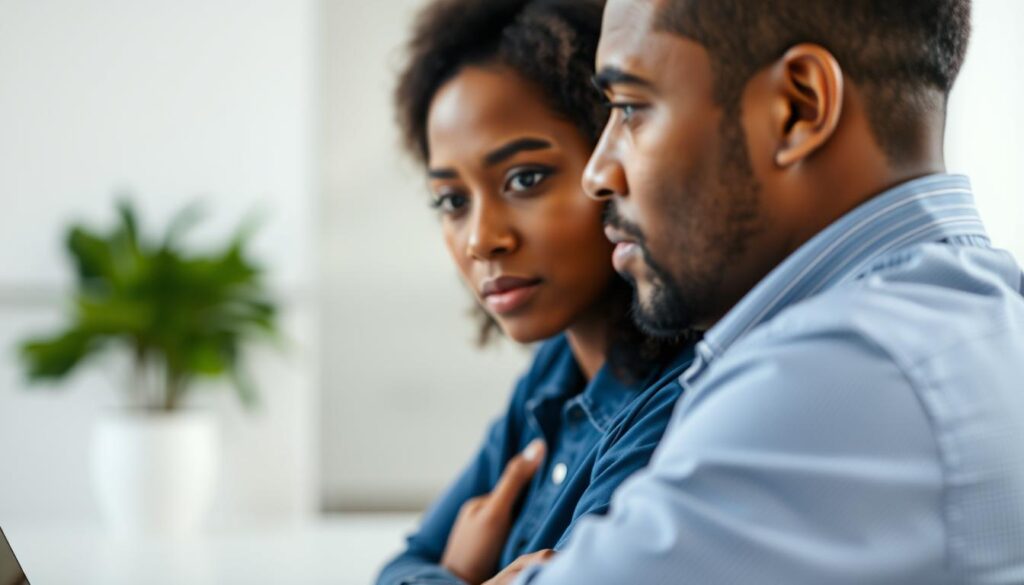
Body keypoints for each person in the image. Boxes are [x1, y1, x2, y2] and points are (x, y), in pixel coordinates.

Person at [499, 0, 1024, 583]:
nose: (598, 173)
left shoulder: (837, 377)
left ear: (798, 108)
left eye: (631, 109)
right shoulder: (984, 315)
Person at [377, 1, 696, 584]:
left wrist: (451, 572)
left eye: (525, 179)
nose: (481, 240)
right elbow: (398, 567)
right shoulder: (552, 375)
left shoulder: (678, 399)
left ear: (615, 159)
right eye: (453, 200)